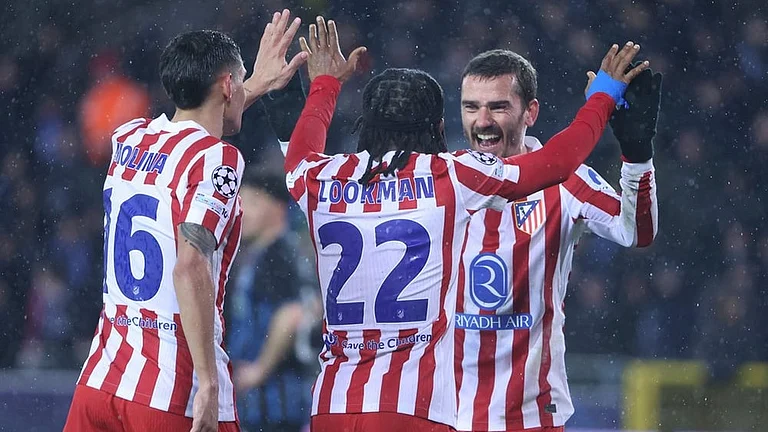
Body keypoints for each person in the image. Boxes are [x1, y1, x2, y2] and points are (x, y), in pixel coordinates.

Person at [283, 16, 647, 432]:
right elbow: (557, 162)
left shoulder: (319, 178)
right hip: (414, 408)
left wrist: (324, 86)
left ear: (363, 126)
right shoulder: (450, 176)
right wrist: (601, 98)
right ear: (440, 128)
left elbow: (298, 153)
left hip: (331, 404)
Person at [63, 9, 308, 432]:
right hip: (171, 391)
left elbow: (194, 127)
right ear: (227, 85)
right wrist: (209, 385)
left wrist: (255, 84)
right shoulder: (219, 159)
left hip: (102, 379)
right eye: (241, 77)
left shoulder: (128, 138)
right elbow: (190, 262)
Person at [454, 48, 662, 431]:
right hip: (442, 413)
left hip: (531, 415)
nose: (482, 122)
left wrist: (637, 155)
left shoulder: (568, 181)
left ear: (530, 113)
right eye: (471, 107)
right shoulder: (441, 180)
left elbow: (636, 232)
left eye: (498, 107)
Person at [227, 167, 317, 432]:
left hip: (279, 406)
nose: (243, 212)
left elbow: (292, 314)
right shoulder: (258, 255)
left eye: (253, 202)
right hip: (261, 408)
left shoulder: (279, 255)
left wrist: (259, 370)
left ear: (277, 207)